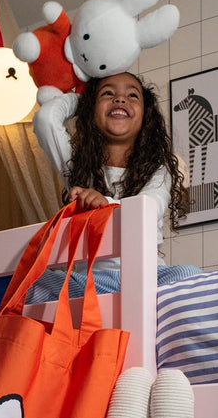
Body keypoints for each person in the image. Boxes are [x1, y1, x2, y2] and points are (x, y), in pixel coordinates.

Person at [29, 72, 198, 300]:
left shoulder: (162, 166)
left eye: (132, 95)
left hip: (147, 276)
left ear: (145, 115)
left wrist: (104, 204)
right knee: (29, 283)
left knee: (190, 275)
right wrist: (84, 100)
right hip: (91, 281)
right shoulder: (77, 165)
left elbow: (148, 208)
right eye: (108, 93)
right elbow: (46, 119)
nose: (120, 99)